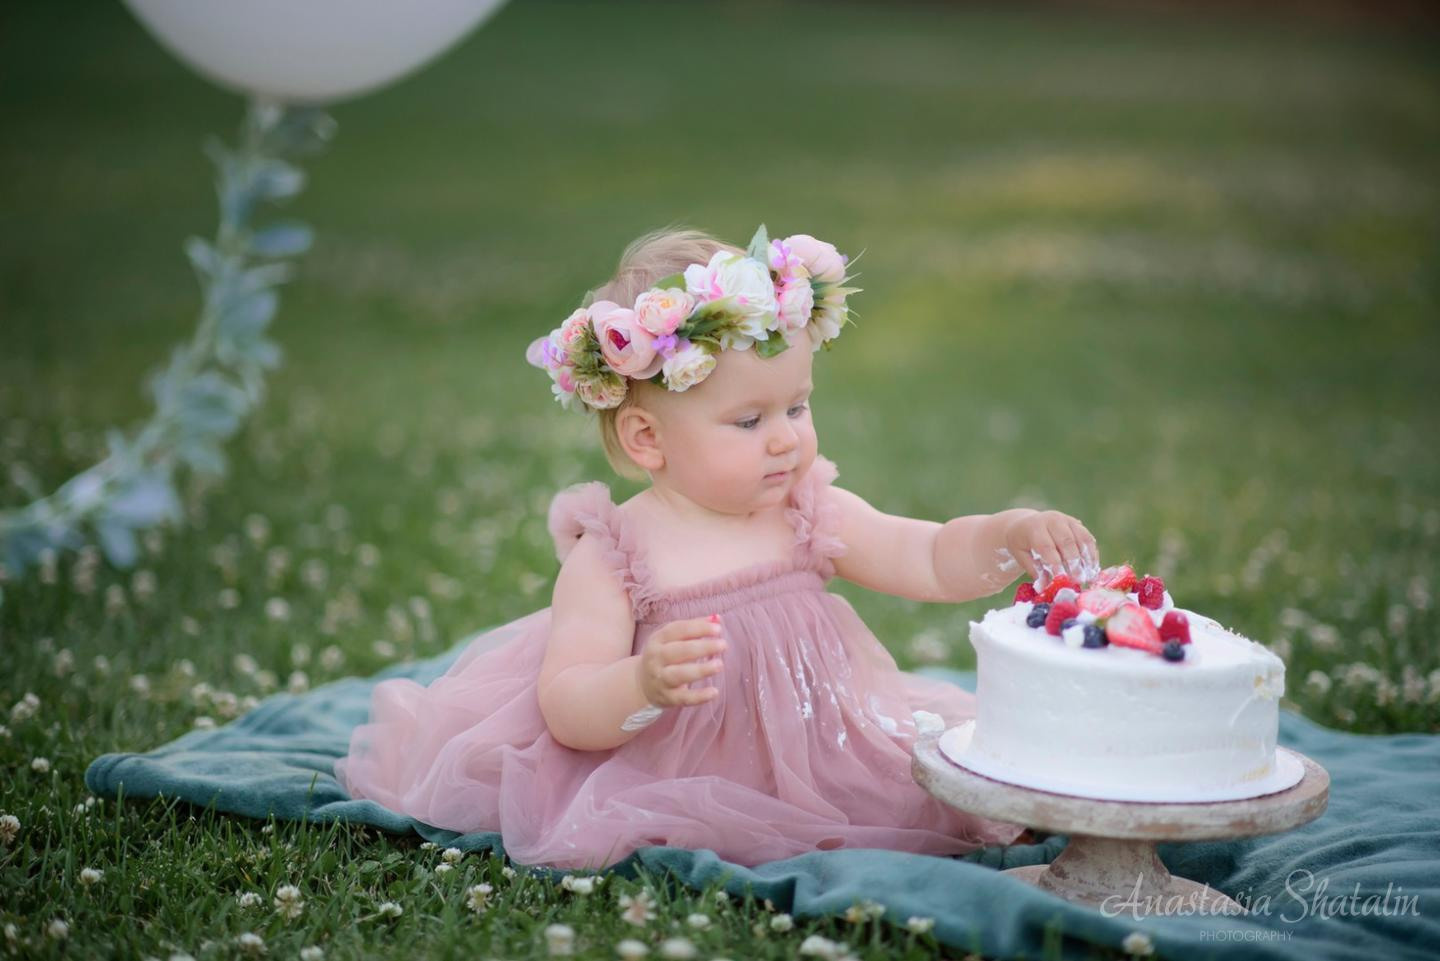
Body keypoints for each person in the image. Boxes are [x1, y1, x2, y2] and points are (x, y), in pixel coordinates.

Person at [336, 225, 1099, 870]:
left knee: (937, 782)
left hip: (820, 743)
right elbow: (567, 704)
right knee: (704, 824)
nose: (785, 438)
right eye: (748, 421)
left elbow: (925, 556)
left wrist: (1008, 533)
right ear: (647, 439)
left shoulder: (807, 506)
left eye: (798, 406)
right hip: (675, 768)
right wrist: (641, 683)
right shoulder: (616, 551)